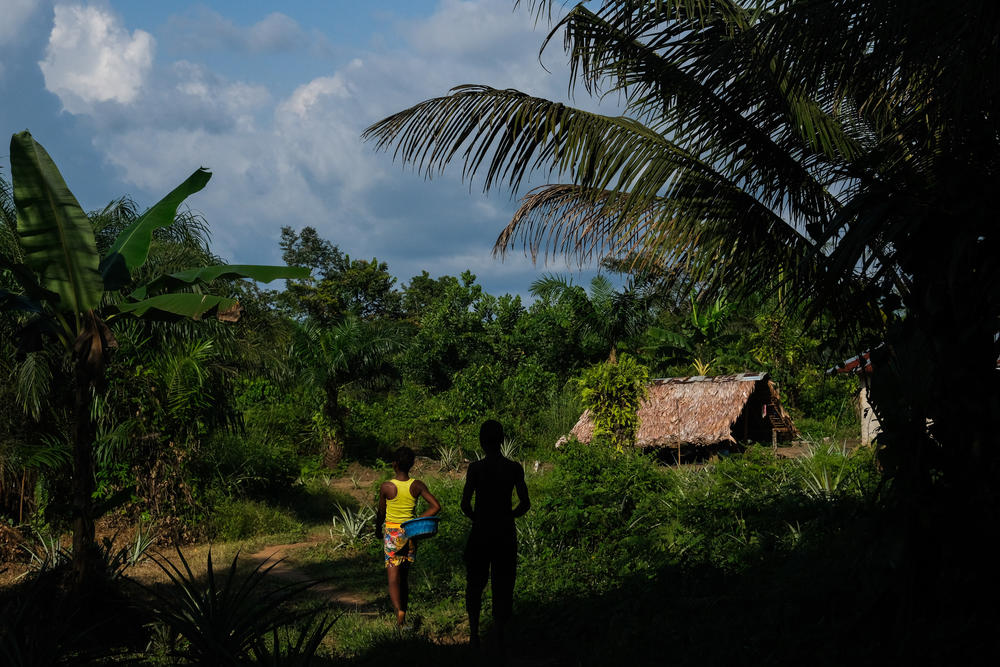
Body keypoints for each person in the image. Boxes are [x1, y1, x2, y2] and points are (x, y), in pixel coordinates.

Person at [461, 420, 531, 652]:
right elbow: (525, 503)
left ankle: (474, 634)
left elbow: (465, 504)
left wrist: (479, 519)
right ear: (502, 440)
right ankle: (500, 636)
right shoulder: (513, 468)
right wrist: (508, 516)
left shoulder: (476, 469)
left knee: (475, 584)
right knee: (503, 585)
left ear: (481, 441)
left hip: (481, 532)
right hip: (504, 533)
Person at [375, 446, 440, 628]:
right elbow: (435, 506)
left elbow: (381, 512)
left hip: (392, 535)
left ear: (394, 464)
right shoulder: (417, 485)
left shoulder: (387, 487)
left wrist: (377, 530)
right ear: (411, 464)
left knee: (393, 578)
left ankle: (400, 614)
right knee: (404, 577)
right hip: (410, 534)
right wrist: (416, 522)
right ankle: (404, 610)